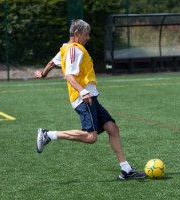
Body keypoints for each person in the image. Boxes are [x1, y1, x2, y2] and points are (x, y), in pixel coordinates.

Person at [34, 19, 145, 180]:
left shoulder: (66, 48)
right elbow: (69, 76)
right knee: (90, 137)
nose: (88, 37)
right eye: (86, 34)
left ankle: (126, 170)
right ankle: (48, 135)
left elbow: (52, 62)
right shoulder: (74, 50)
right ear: (76, 34)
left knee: (112, 128)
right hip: (84, 99)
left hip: (90, 97)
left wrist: (42, 74)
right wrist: (83, 92)